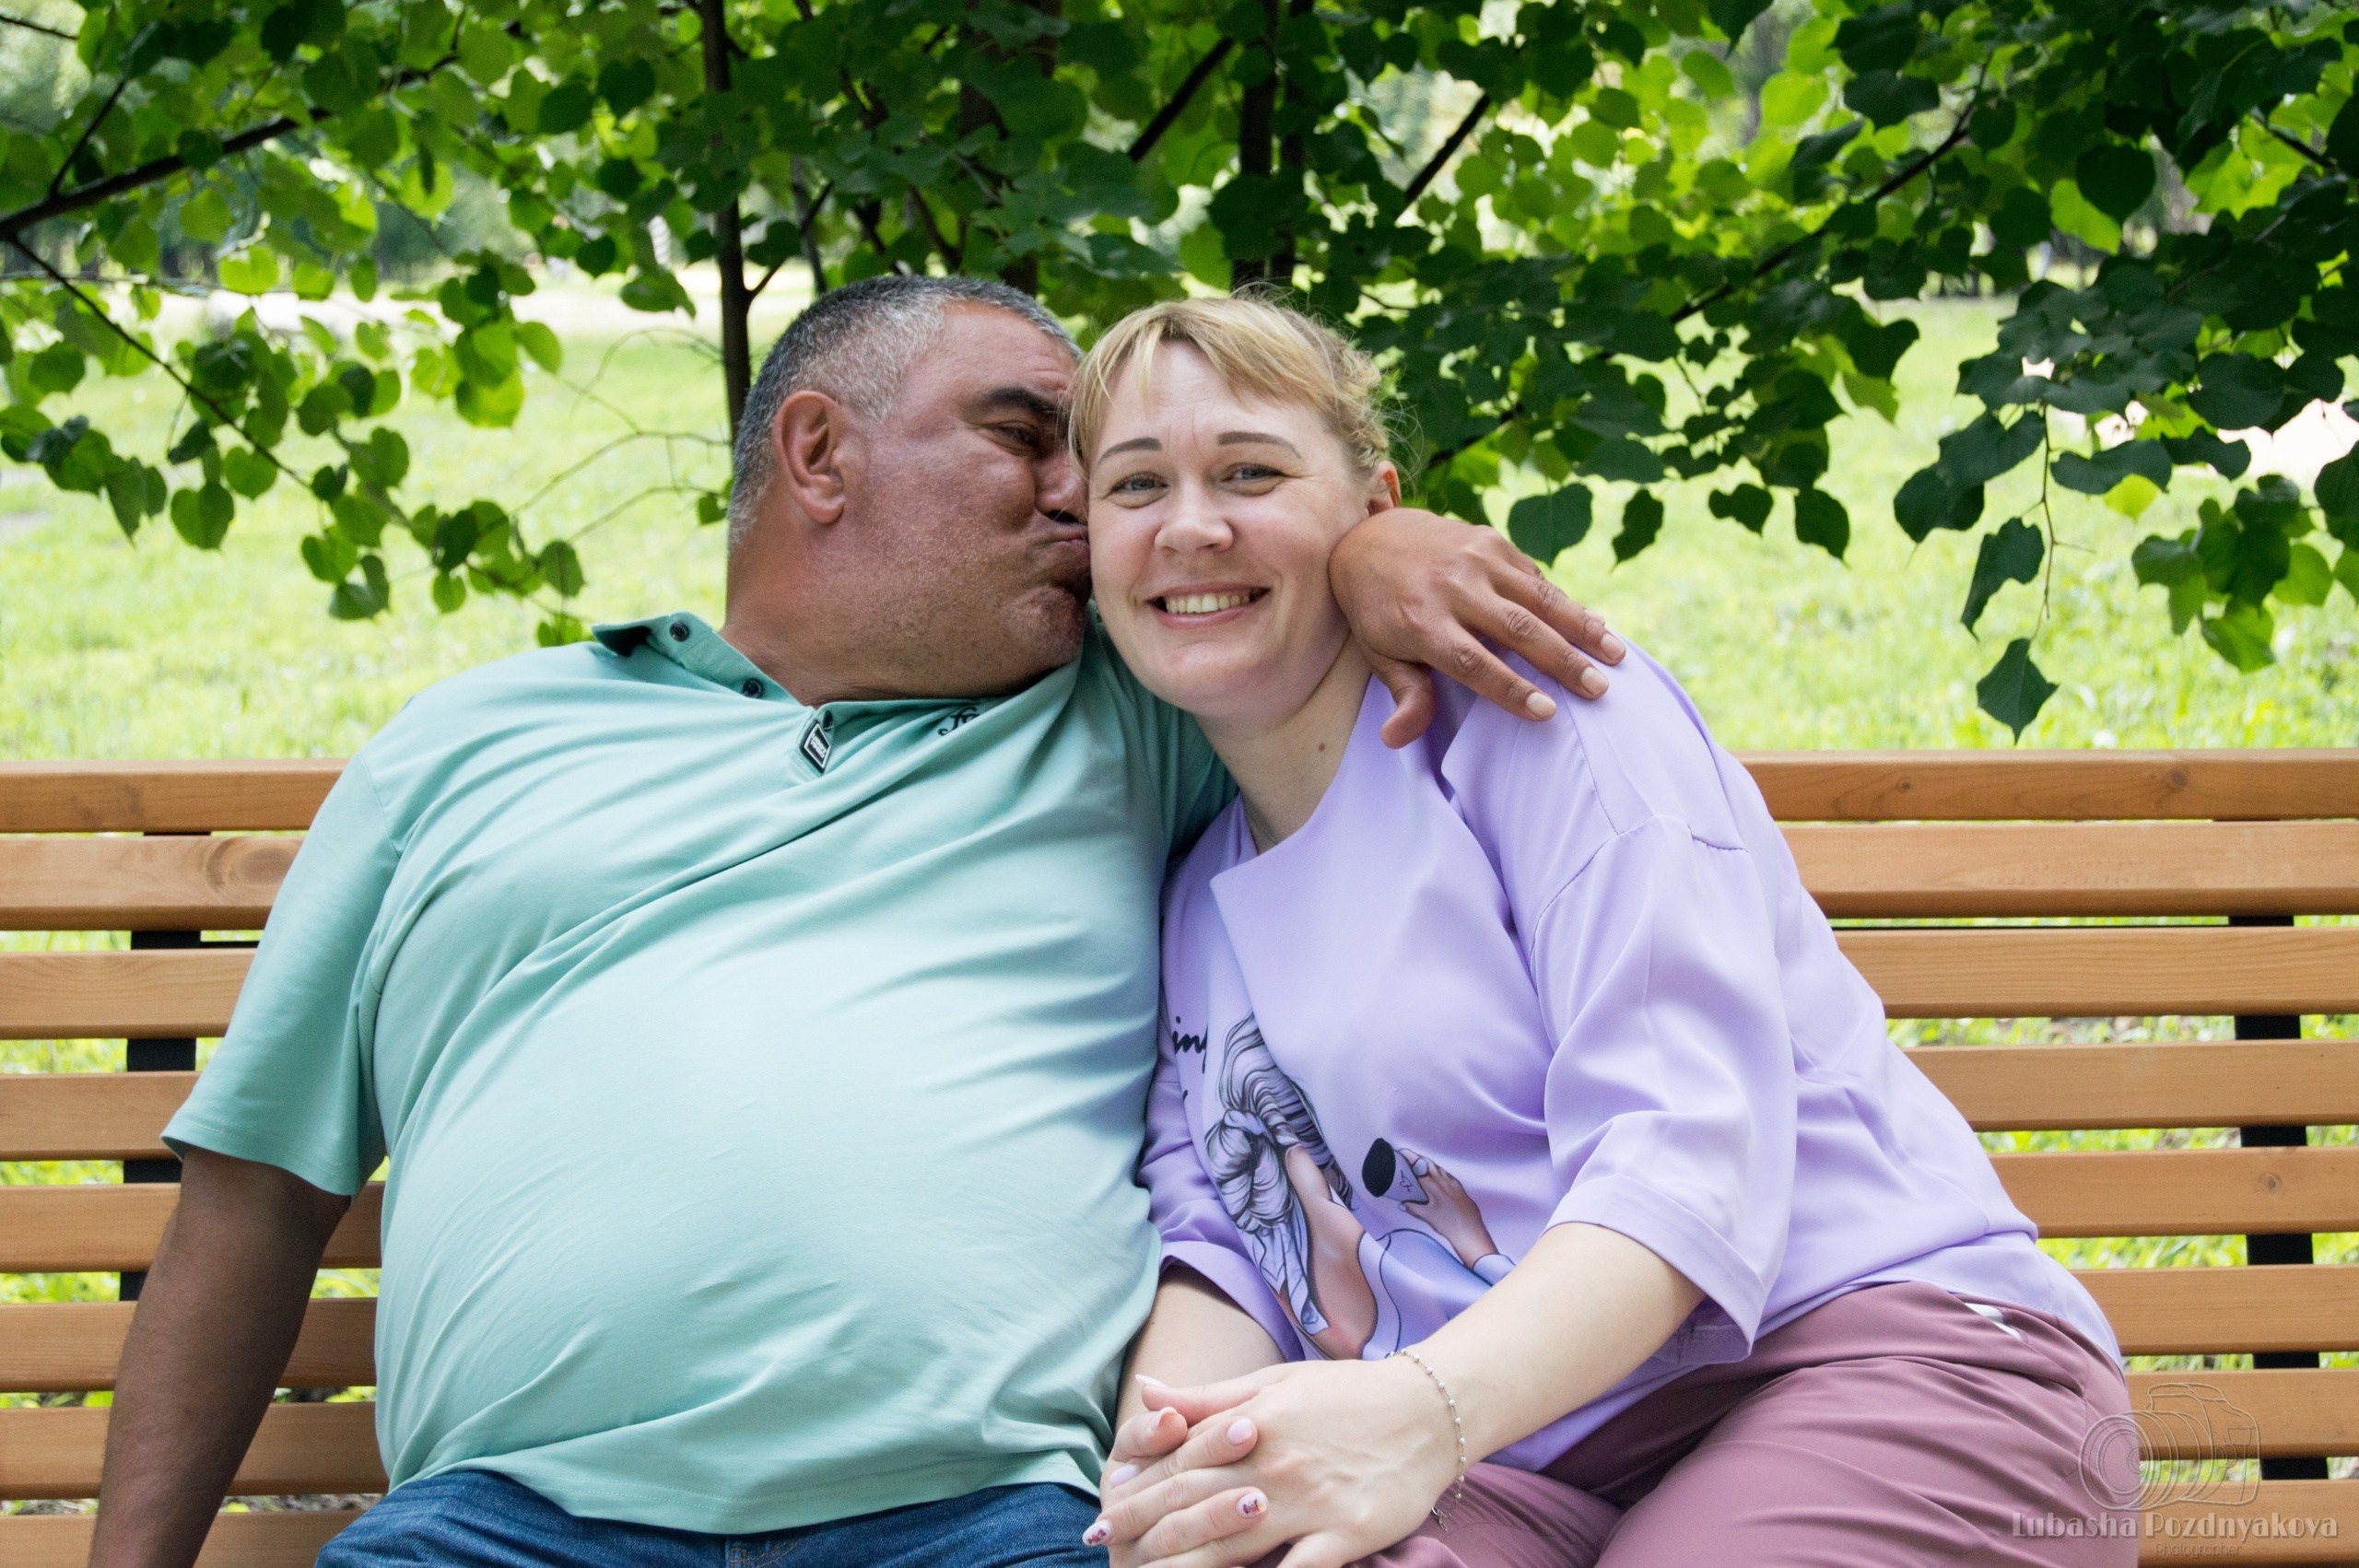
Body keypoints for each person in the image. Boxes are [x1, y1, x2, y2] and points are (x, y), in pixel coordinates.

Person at [88, 275, 1628, 1568]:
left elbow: (1260, 588)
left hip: (991, 1521)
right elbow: (253, 1200)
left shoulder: (1127, 721)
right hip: (508, 1523)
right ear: (819, 453)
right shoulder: (469, 746)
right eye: (1030, 437)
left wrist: (1371, 546)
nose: (1082, 496)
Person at [1073, 296, 2138, 1568]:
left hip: (1868, 1352)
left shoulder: (1546, 714)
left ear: (1374, 508)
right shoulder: (1197, 897)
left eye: (1250, 470)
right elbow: (1228, 1249)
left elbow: (1682, 1149)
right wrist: (1177, 1481)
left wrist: (1422, 1414)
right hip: (1522, 1461)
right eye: (1137, 486)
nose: (1193, 525)